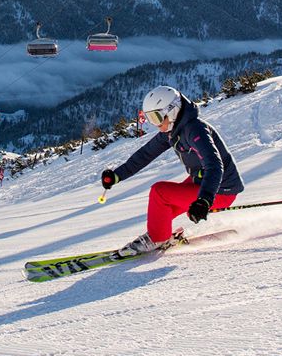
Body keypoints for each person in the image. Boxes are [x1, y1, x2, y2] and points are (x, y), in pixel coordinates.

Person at [101, 86, 244, 256]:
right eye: (150, 118)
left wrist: (204, 200)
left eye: (157, 117)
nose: (155, 124)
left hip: (220, 189)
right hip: (203, 182)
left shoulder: (195, 130)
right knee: (163, 212)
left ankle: (157, 238)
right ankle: (160, 234)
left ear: (172, 110)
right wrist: (117, 175)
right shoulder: (172, 130)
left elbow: (214, 164)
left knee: (159, 193)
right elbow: (145, 154)